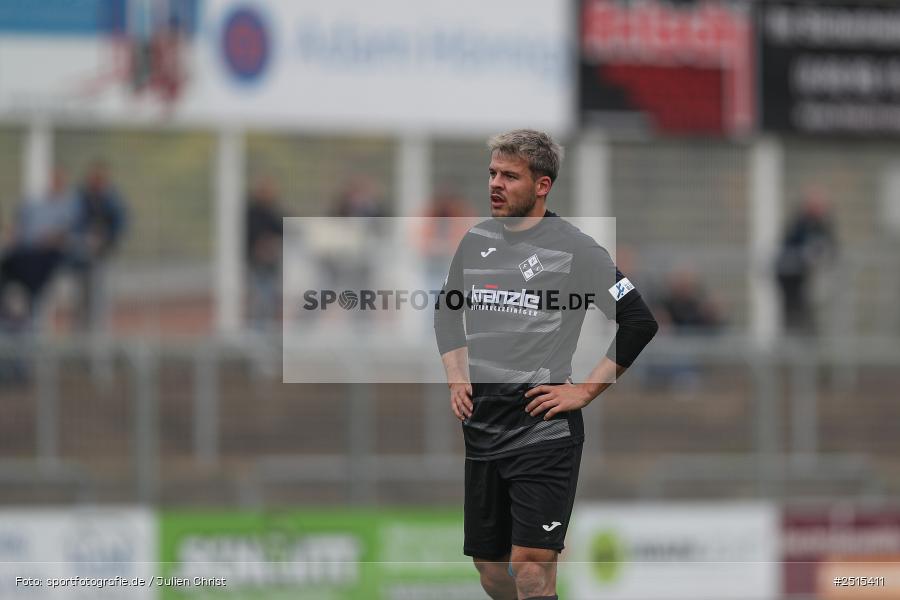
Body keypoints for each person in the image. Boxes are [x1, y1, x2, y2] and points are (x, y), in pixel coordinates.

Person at [433, 129, 657, 600]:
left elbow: (638, 319)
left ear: (542, 185)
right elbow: (447, 310)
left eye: (510, 176)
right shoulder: (475, 241)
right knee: (493, 573)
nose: (495, 183)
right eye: (493, 173)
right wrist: (456, 378)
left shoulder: (577, 250)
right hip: (482, 430)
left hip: (544, 431)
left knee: (531, 572)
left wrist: (585, 390)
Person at [0, 169, 79, 325]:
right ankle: (8, 319)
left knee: (35, 270)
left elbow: (68, 234)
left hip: (48, 255)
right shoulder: (34, 205)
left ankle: (31, 315)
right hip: (25, 252)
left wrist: (52, 239)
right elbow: (17, 228)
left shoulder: (69, 207)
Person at [70, 161, 128, 333]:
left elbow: (120, 225)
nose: (97, 181)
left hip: (103, 256)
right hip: (82, 258)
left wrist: (104, 239)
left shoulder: (112, 200)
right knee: (81, 300)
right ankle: (79, 337)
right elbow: (74, 223)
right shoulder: (80, 199)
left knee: (100, 300)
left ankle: (98, 337)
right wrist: (85, 239)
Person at [775, 188, 838, 336]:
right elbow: (790, 248)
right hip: (793, 281)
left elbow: (833, 248)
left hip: (813, 281)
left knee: (810, 318)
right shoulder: (799, 224)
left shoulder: (824, 224)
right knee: (794, 318)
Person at [245, 176, 284, 331]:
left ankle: (265, 332)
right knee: (260, 299)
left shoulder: (271, 212)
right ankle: (258, 333)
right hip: (257, 264)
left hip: (271, 265)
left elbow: (280, 229)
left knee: (270, 299)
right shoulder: (252, 213)